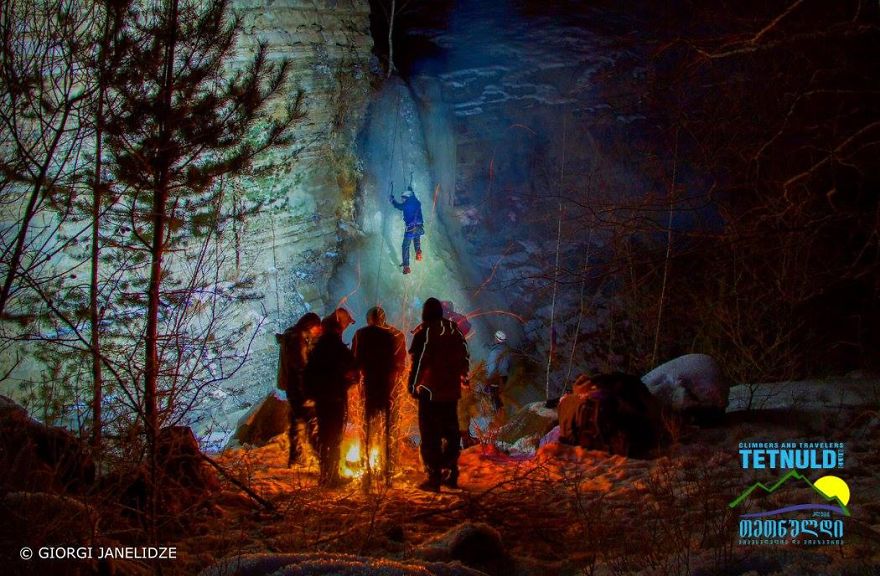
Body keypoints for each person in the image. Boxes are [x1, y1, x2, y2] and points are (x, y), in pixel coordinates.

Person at [408, 297, 470, 491]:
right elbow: (465, 354)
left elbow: (418, 361)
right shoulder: (453, 329)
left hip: (430, 391)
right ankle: (451, 472)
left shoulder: (424, 332)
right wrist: (463, 375)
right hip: (451, 390)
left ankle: (434, 476)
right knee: (451, 431)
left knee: (430, 434)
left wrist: (413, 385)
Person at [303, 308, 358, 486]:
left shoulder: (316, 347)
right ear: (337, 328)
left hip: (321, 398)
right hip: (335, 397)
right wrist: (346, 384)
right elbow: (353, 370)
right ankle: (333, 476)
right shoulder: (337, 347)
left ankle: (325, 473)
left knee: (324, 435)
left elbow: (308, 373)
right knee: (334, 438)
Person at [352, 307, 406, 484]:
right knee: (390, 427)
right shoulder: (395, 335)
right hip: (389, 389)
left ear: (369, 319)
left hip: (368, 389)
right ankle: (389, 466)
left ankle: (366, 465)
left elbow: (355, 363)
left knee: (368, 428)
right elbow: (399, 364)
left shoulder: (360, 335)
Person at [276, 312, 323, 467]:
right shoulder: (298, 338)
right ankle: (321, 457)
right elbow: (301, 365)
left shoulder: (290, 335)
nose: (318, 331)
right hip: (299, 387)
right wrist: (310, 388)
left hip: (292, 386)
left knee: (297, 421)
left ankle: (296, 457)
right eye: (317, 327)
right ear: (310, 325)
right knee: (312, 421)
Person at [390, 185, 424, 275]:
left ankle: (406, 267)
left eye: (403, 198)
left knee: (405, 246)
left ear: (407, 197)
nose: (403, 200)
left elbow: (398, 206)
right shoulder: (416, 201)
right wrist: (410, 189)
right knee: (416, 239)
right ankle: (418, 253)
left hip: (411, 229)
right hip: (419, 227)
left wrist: (392, 200)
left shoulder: (407, 204)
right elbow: (412, 195)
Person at [485, 330, 511, 412]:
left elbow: (492, 368)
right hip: (504, 377)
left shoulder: (495, 352)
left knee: (495, 399)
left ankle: (500, 415)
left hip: (495, 378)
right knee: (498, 397)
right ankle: (501, 412)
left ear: (496, 339)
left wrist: (488, 381)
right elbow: (510, 364)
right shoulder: (507, 350)